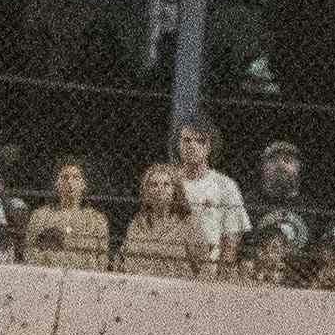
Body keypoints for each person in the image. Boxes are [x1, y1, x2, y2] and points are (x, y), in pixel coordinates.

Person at [173, 120, 249, 263]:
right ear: (178, 145)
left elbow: (232, 235)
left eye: (200, 141)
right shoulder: (167, 182)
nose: (192, 146)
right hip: (170, 261)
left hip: (208, 265)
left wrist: (221, 273)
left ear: (209, 146)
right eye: (187, 140)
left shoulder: (225, 185)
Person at [246, 139, 316, 282]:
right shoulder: (249, 202)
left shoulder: (311, 208)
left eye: (287, 160)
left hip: (299, 281)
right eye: (273, 160)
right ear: (263, 167)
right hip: (256, 278)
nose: (280, 165)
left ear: (299, 167)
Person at [117, 161, 200, 278]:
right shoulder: (137, 222)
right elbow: (123, 258)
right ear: (147, 192)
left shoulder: (188, 223)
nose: (160, 189)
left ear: (175, 190)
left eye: (166, 184)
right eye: (154, 185)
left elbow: (202, 264)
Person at [26, 158, 111, 268]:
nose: (70, 182)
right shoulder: (40, 215)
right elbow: (29, 251)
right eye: (64, 178)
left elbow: (102, 258)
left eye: (76, 178)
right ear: (56, 184)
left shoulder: (96, 219)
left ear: (84, 184)